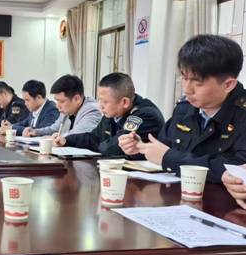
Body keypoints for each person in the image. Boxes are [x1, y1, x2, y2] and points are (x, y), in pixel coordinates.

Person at [119, 34, 246, 183]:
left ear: (228, 84)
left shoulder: (242, 116)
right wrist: (139, 148)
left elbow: (238, 172)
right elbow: (163, 150)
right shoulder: (184, 109)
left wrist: (169, 158)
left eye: (197, 82)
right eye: (184, 78)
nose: (187, 89)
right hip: (177, 193)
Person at [54, 72, 164, 157]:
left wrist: (99, 145)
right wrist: (66, 140)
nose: (100, 106)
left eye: (105, 101)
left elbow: (114, 148)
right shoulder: (112, 112)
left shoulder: (145, 116)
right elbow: (94, 138)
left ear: (124, 102)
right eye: (99, 100)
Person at [25, 75, 101, 137]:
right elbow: (54, 129)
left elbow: (79, 134)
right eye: (57, 101)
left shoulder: (92, 110)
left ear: (76, 99)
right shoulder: (67, 110)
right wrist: (36, 132)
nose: (57, 106)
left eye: (61, 101)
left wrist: (58, 137)